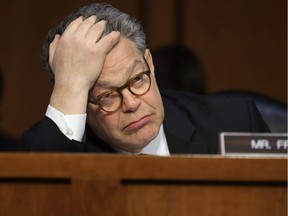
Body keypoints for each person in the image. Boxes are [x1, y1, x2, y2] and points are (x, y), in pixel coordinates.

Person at [21, 3, 270, 155]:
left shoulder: (234, 122)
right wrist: (69, 87)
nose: (131, 104)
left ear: (150, 64)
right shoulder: (44, 145)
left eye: (138, 79)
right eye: (107, 96)